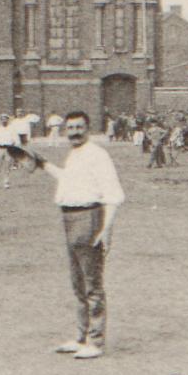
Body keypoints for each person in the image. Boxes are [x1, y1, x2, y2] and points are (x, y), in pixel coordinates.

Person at [34, 110, 124, 360]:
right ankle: (82, 336)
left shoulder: (98, 155)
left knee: (92, 283)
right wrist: (42, 164)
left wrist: (106, 229)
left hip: (89, 217)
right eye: (70, 128)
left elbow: (113, 194)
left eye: (78, 127)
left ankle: (96, 341)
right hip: (70, 218)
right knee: (78, 282)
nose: (74, 132)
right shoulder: (75, 154)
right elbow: (68, 180)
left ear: (88, 128)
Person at [0, 114, 20, 190]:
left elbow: (16, 141)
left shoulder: (12, 129)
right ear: (0, 120)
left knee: (7, 166)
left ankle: (6, 182)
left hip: (8, 148)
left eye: (5, 119)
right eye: (2, 119)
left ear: (8, 120)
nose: (4, 121)